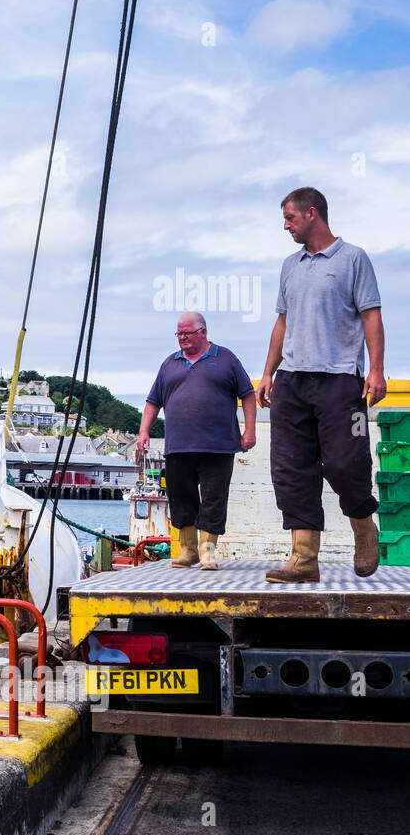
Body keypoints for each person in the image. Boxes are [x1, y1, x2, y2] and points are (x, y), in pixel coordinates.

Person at [258, 187, 384, 582]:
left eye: (290, 218)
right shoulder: (289, 266)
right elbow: (282, 322)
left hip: (341, 380)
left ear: (312, 214)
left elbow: (371, 317)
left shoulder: (353, 259)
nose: (285, 225)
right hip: (292, 381)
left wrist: (376, 370)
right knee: (291, 469)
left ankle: (364, 530)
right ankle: (304, 559)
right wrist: (267, 373)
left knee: (347, 464)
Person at [137, 312, 257, 569]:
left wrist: (249, 430)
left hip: (218, 445)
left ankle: (208, 553)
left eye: (187, 333)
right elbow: (152, 401)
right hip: (178, 446)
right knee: (181, 497)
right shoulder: (170, 363)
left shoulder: (226, 359)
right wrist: (143, 431)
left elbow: (247, 394)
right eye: (179, 334)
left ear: (203, 331)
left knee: (214, 499)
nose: (182, 338)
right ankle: (189, 551)